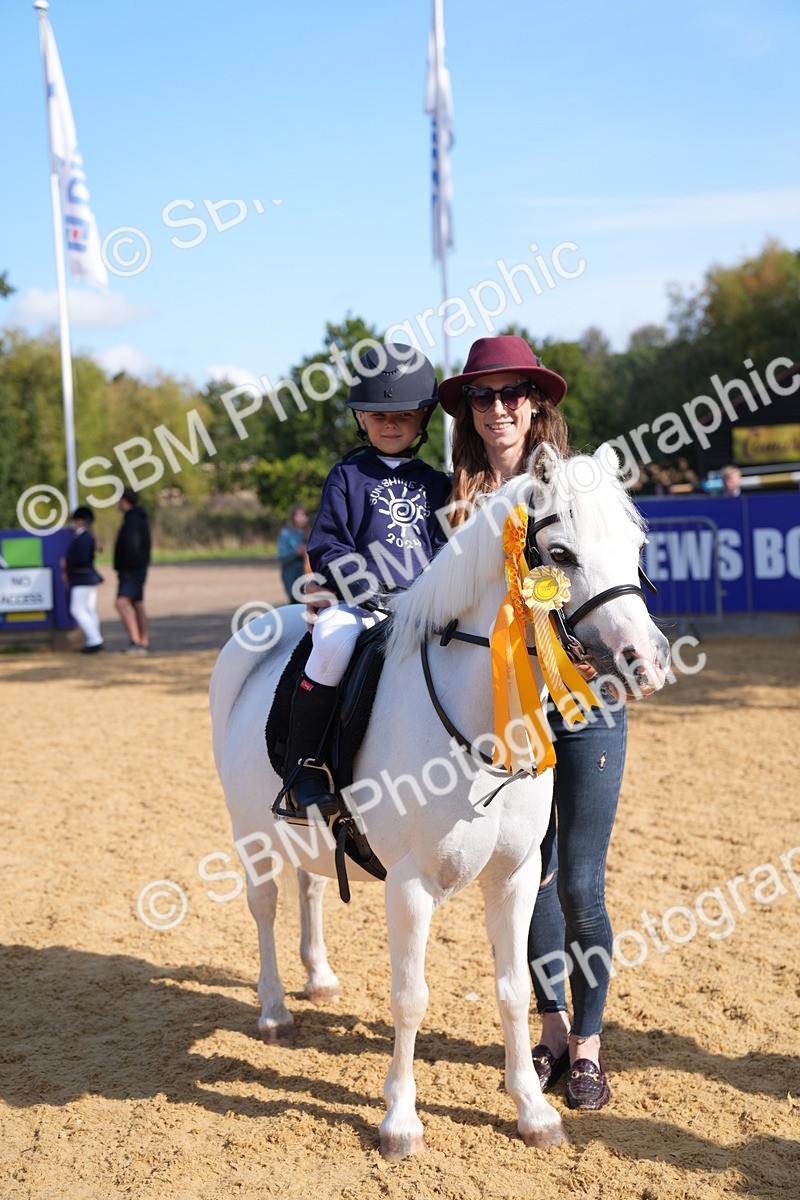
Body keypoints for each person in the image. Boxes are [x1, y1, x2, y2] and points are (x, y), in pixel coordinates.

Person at [439, 334, 625, 1112]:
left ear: (538, 403)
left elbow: (620, 575)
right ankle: (548, 1033)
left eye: (514, 393)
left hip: (583, 702)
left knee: (580, 884)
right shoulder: (452, 502)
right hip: (503, 714)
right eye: (484, 396)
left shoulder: (578, 485)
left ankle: (587, 1046)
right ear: (468, 413)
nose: (500, 408)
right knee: (530, 876)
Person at [279, 343, 451, 821]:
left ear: (422, 419)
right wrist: (365, 587)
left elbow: (446, 548)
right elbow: (328, 545)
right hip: (360, 605)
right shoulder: (346, 476)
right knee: (332, 641)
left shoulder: (438, 483)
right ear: (361, 419)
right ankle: (303, 769)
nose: (390, 425)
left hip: (423, 606)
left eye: (401, 415)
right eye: (378, 416)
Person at [61, 505, 104, 654]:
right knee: (89, 610)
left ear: (80, 521)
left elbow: (82, 558)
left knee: (77, 609)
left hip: (81, 578)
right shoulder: (86, 537)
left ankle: (95, 640)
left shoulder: (83, 538)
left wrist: (68, 563)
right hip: (87, 577)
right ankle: (95, 639)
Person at [113, 487, 151, 654]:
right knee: (137, 604)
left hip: (132, 571)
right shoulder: (139, 519)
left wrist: (127, 568)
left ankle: (135, 642)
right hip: (138, 569)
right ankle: (144, 641)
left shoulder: (132, 521)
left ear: (124, 501)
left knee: (120, 603)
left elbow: (132, 547)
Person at [277, 503, 310, 602]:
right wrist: (296, 553)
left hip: (308, 579)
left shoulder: (312, 532)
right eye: (297, 515)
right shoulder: (285, 534)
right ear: (292, 517)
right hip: (292, 578)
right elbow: (282, 557)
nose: (301, 518)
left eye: (303, 515)